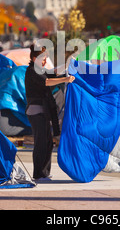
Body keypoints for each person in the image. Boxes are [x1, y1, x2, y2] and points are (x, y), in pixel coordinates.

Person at [25, 44, 75, 181]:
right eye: (43, 58)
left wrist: (67, 65)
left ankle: (44, 173)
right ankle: (38, 174)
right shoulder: (32, 71)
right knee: (41, 142)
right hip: (36, 111)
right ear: (35, 58)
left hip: (43, 111)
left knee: (48, 142)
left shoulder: (39, 69)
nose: (45, 61)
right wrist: (65, 79)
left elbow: (53, 72)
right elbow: (47, 81)